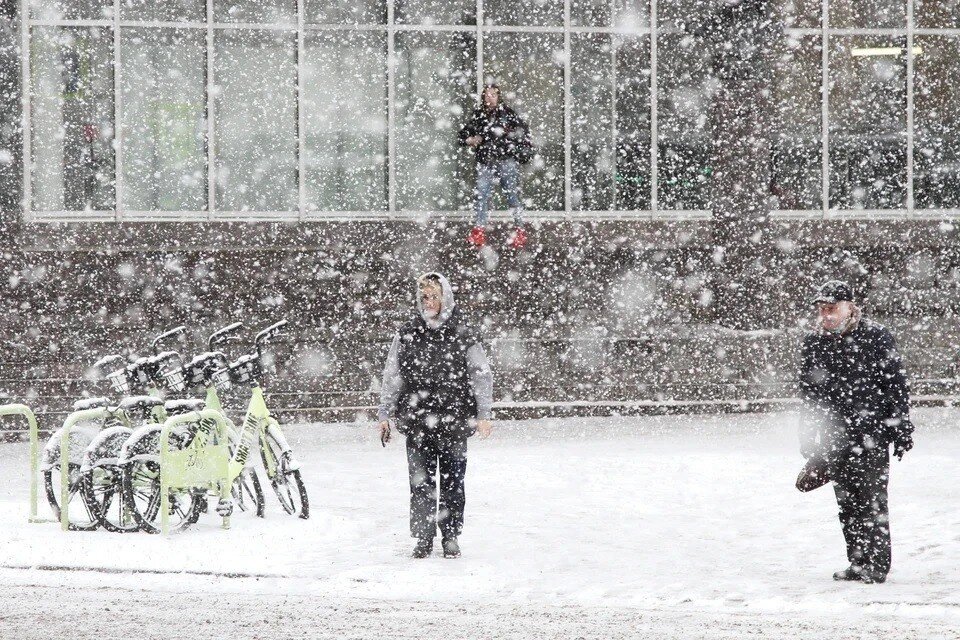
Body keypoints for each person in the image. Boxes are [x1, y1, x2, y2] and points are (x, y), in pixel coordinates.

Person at [798, 280, 914, 584]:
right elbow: (809, 394)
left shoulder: (876, 337)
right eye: (822, 309)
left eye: (832, 308)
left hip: (871, 434)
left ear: (850, 307)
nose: (826, 315)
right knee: (847, 504)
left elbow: (896, 385)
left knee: (873, 502)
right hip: (834, 437)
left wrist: (901, 427)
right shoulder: (815, 342)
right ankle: (858, 562)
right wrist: (808, 439)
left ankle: (877, 566)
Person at [378, 272, 494, 559]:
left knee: (454, 481)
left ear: (446, 298)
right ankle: (423, 536)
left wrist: (484, 413)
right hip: (417, 420)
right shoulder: (407, 332)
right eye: (424, 297)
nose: (429, 302)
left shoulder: (463, 333)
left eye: (434, 296)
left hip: (454, 419)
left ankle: (451, 535)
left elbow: (481, 374)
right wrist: (385, 412)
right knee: (421, 482)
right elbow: (392, 375)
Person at [458, 84, 532, 250]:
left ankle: (520, 231)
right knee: (481, 197)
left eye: (493, 94)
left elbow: (523, 134)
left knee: (512, 196)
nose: (489, 97)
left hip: (506, 162)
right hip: (485, 162)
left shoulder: (508, 114)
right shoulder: (479, 115)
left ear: (499, 97)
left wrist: (514, 149)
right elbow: (462, 136)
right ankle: (479, 232)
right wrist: (470, 140)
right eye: (486, 95)